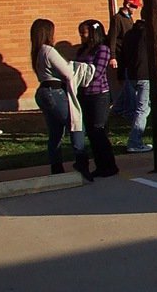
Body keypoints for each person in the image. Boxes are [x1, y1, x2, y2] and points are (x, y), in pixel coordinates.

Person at [30, 18, 91, 179]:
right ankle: (81, 163)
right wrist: (80, 68)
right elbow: (67, 72)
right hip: (55, 91)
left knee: (55, 132)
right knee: (76, 125)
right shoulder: (48, 51)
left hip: (43, 91)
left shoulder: (37, 51)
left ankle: (56, 168)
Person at [74, 19, 119, 178]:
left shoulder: (102, 49)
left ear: (93, 33)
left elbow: (97, 72)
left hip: (99, 94)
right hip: (84, 94)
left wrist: (81, 74)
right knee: (91, 133)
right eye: (80, 33)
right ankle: (100, 165)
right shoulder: (82, 51)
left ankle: (109, 166)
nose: (82, 36)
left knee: (98, 130)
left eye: (84, 33)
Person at [118, 13, 153, 153]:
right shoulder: (147, 34)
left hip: (131, 74)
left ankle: (133, 132)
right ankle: (134, 142)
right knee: (142, 109)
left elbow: (123, 55)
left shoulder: (129, 34)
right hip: (145, 75)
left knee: (138, 107)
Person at [107, 0, 141, 116]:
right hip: (121, 55)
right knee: (126, 82)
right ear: (127, 5)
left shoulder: (129, 18)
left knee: (127, 83)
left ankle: (118, 108)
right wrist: (113, 57)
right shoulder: (117, 19)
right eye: (134, 6)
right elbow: (112, 38)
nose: (135, 9)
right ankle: (128, 109)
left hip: (129, 54)